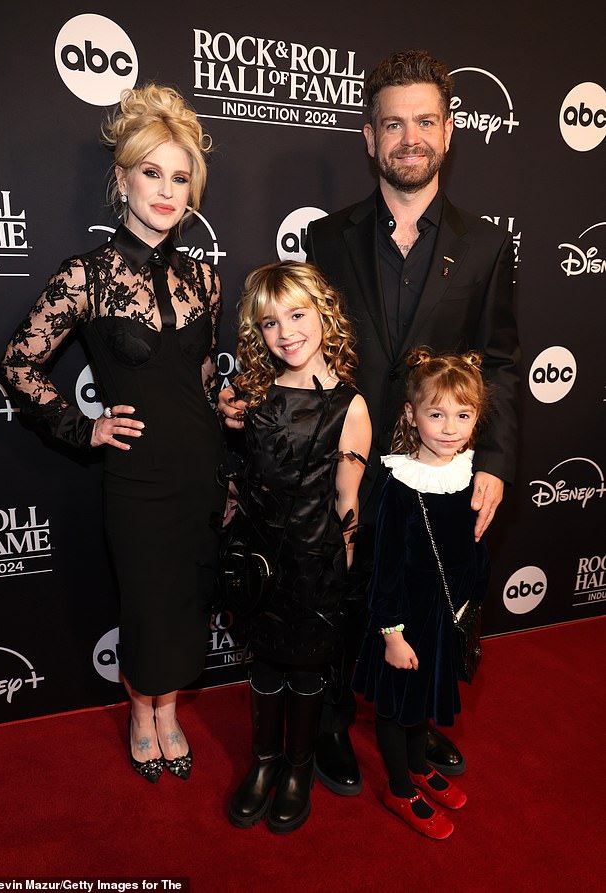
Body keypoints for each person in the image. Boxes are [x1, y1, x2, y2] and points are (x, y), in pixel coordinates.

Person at [222, 48, 519, 790]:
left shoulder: (486, 245)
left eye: (423, 121)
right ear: (369, 138)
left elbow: (502, 362)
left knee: (426, 597)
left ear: (449, 132)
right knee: (338, 597)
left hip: (438, 466)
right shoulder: (328, 238)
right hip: (343, 455)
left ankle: (413, 717)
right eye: (392, 124)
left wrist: (496, 462)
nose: (408, 137)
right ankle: (326, 726)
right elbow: (302, 349)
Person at [1, 84, 224, 783]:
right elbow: (18, 362)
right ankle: (143, 711)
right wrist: (82, 425)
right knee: (147, 601)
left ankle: (171, 708)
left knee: (187, 599)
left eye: (179, 176)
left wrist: (230, 406)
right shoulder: (86, 277)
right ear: (122, 176)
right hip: (136, 475)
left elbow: (207, 372)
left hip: (201, 466)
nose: (165, 189)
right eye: (151, 172)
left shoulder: (207, 279)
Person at [225, 261, 371, 833]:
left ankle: (297, 768)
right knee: (264, 662)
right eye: (268, 323)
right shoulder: (251, 397)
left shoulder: (348, 405)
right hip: (261, 561)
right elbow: (239, 479)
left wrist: (343, 571)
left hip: (315, 561)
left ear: (324, 315)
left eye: (297, 314)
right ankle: (263, 764)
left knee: (309, 669)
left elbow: (347, 498)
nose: (285, 332)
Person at [352, 347, 490, 839]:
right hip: (403, 622)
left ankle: (416, 766)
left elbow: (472, 549)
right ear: (411, 416)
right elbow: (385, 568)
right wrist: (392, 634)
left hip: (442, 619)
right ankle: (398, 788)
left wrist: (471, 602)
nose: (450, 427)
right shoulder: (401, 484)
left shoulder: (470, 472)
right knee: (395, 708)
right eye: (436, 414)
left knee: (421, 705)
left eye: (463, 414)